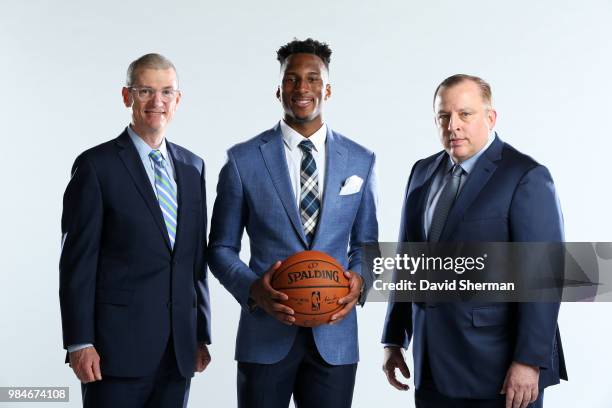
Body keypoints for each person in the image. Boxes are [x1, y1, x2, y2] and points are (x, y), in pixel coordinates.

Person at [208, 38, 378, 408]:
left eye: (313, 79)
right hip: (265, 334)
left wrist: (359, 281)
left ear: (327, 89)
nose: (302, 88)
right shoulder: (242, 160)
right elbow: (220, 248)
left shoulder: (360, 160)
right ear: (278, 89)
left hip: (335, 336)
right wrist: (255, 291)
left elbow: (366, 245)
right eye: (292, 79)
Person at [381, 74, 567, 408]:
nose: (453, 126)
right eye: (443, 116)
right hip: (432, 366)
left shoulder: (525, 177)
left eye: (465, 114)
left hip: (498, 369)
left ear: (490, 117)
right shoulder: (421, 173)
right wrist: (394, 339)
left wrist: (529, 361)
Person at [59, 53, 211, 408]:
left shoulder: (193, 167)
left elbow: (194, 261)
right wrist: (80, 342)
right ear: (127, 96)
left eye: (166, 92)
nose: (156, 102)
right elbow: (76, 263)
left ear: (178, 99)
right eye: (145, 91)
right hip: (114, 352)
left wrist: (200, 333)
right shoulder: (96, 166)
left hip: (178, 351)